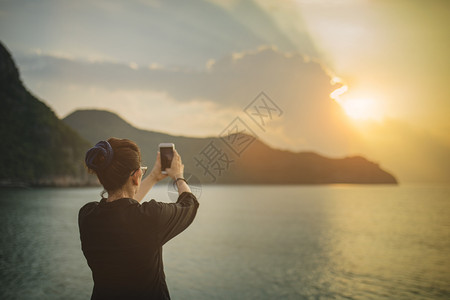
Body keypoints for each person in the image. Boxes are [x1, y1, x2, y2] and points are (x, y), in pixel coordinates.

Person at [78, 138, 199, 300]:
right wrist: (178, 176)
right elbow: (189, 204)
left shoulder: (87, 216)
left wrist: (154, 177)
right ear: (136, 176)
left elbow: (123, 208)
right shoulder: (151, 217)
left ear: (101, 178)